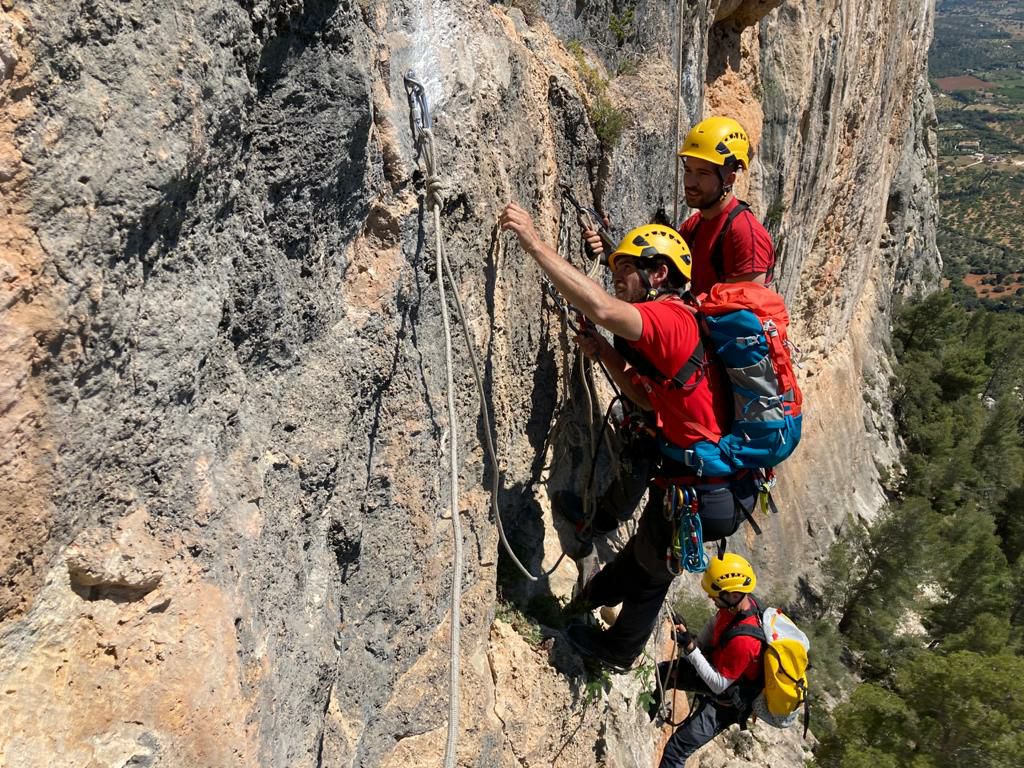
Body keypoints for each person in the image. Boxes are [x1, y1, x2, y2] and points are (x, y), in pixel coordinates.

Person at [498, 202, 741, 671]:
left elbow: (603, 308)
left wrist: (532, 241)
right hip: (693, 483)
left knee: (652, 574)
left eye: (626, 269)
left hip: (699, 488)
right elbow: (648, 401)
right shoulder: (677, 321)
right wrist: (604, 353)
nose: (617, 279)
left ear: (658, 272)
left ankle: (620, 651)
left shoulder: (671, 320)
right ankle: (589, 600)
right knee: (643, 556)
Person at [649, 553, 765, 767]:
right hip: (718, 670)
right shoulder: (734, 607)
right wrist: (692, 639)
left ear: (734, 595)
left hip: (727, 702)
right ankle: (646, 718)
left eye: (716, 595)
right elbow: (715, 625)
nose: (711, 598)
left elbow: (718, 685)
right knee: (662, 672)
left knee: (676, 750)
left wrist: (691, 649)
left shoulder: (745, 641)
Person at [677, 115, 775, 295]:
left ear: (729, 179)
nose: (690, 182)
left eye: (703, 173)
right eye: (688, 171)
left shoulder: (745, 236)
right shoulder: (696, 224)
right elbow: (662, 268)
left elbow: (741, 314)